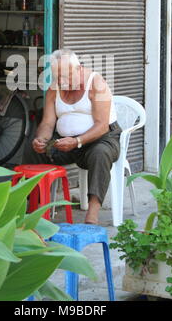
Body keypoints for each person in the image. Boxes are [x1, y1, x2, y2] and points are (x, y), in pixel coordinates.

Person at [23, 49, 122, 224]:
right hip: (65, 142)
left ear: (79, 69)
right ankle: (31, 205)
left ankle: (92, 211)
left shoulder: (96, 83)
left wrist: (77, 141)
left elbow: (101, 126)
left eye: (65, 76)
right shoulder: (55, 88)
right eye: (57, 77)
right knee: (32, 149)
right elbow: (47, 123)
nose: (61, 81)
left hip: (101, 139)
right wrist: (42, 140)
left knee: (100, 153)